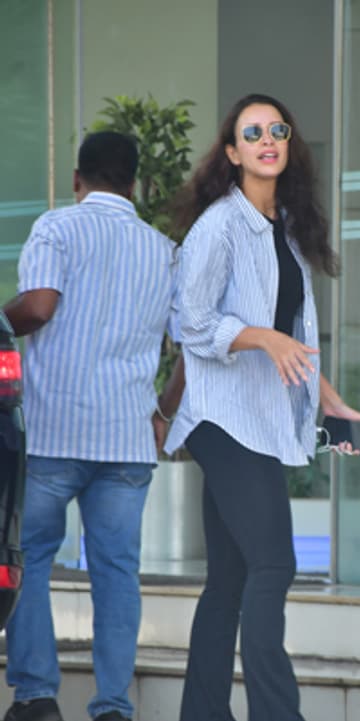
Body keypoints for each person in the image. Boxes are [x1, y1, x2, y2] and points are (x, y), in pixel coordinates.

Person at [159, 93, 360, 721]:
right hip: (224, 419)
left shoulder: (285, 228)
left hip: (260, 417)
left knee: (228, 580)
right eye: (251, 133)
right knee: (274, 564)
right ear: (232, 152)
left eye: (276, 130)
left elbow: (291, 338)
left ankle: (202, 713)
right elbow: (191, 323)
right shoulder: (219, 226)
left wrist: (333, 403)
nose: (266, 140)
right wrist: (260, 337)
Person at [2, 131, 177, 721]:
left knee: (30, 560)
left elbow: (38, 307)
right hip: (127, 439)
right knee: (117, 572)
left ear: (77, 179)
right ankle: (112, 708)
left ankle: (36, 697)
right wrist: (163, 413)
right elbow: (195, 347)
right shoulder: (163, 250)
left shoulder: (57, 227)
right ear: (135, 184)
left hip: (54, 432)